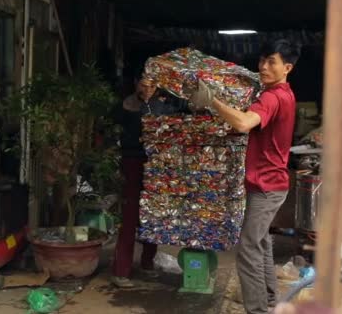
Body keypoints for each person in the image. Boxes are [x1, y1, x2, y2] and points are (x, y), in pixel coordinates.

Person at [188, 39, 300, 313]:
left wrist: (212, 101)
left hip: (267, 186)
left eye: (271, 62)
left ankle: (258, 310)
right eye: (262, 60)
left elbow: (243, 123)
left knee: (248, 250)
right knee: (260, 242)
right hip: (269, 183)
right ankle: (271, 300)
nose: (263, 66)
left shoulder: (272, 97)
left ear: (287, 67)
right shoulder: (284, 93)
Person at [111, 74, 190, 288]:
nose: (147, 88)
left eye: (153, 84)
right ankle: (121, 271)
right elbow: (116, 132)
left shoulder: (163, 106)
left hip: (156, 166)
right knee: (129, 216)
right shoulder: (125, 106)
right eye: (143, 83)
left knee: (152, 214)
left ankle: (147, 264)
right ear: (136, 83)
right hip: (132, 163)